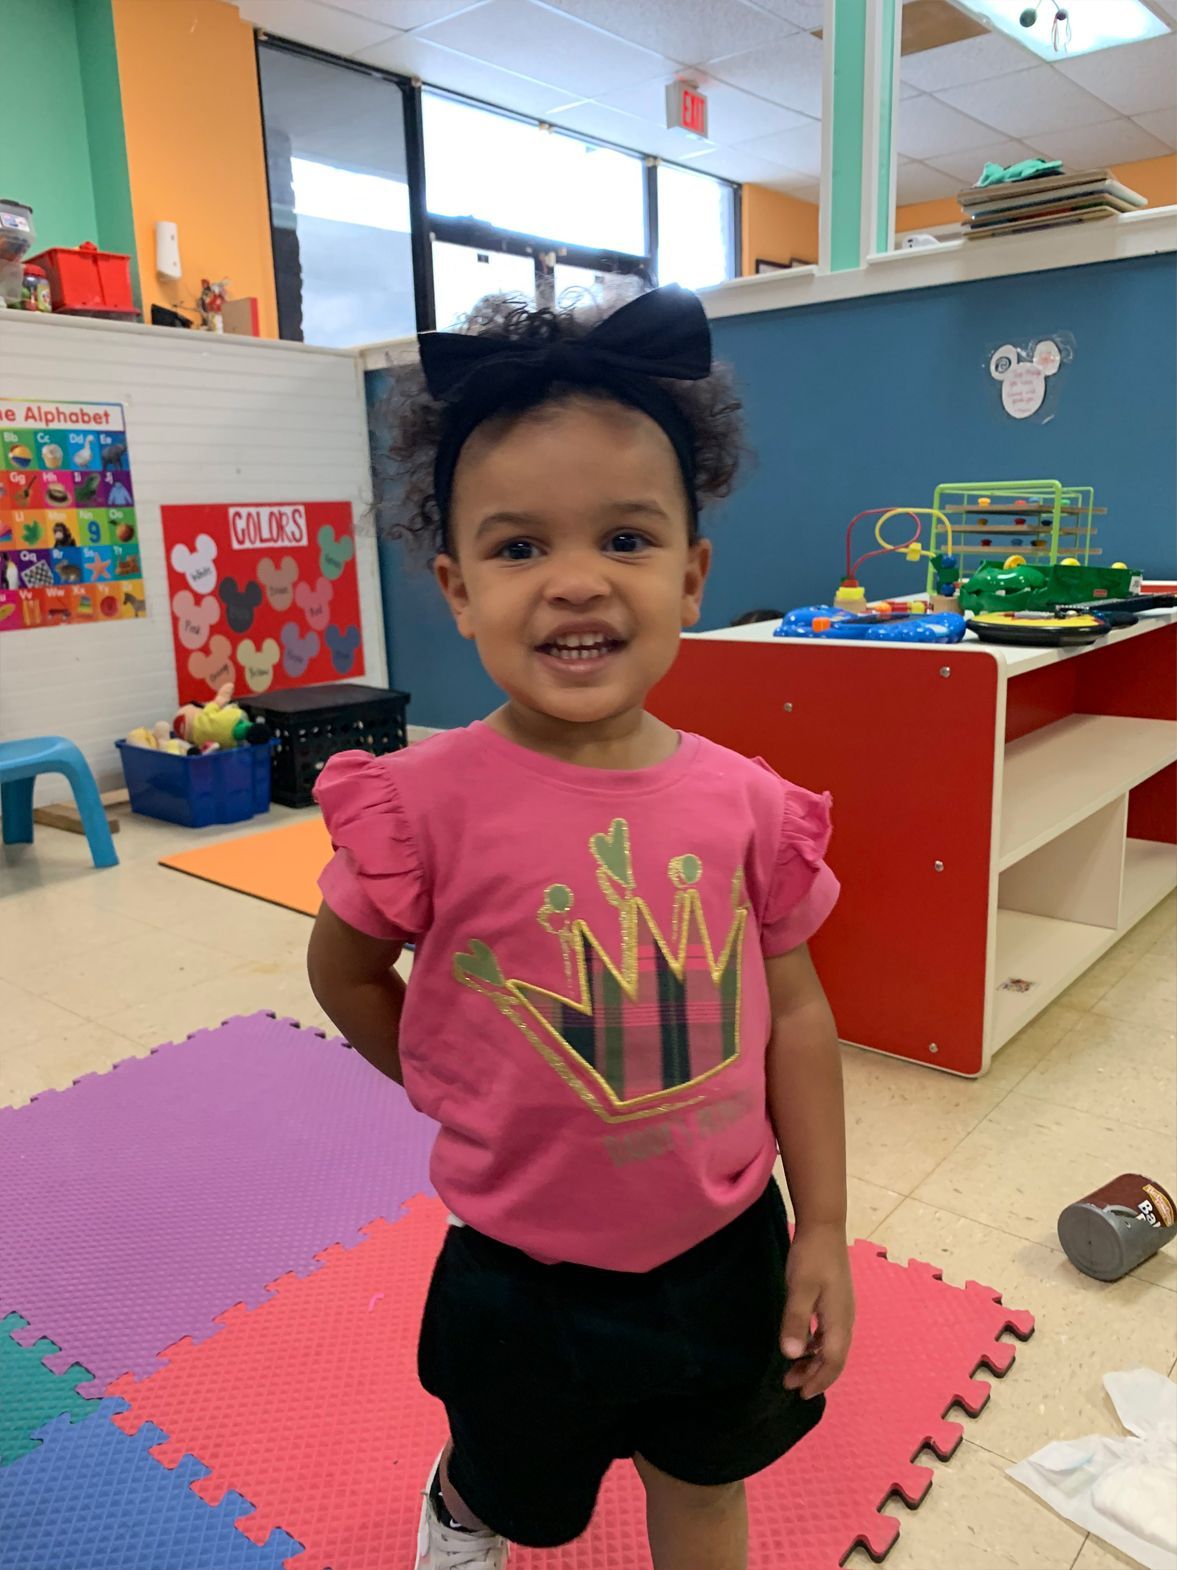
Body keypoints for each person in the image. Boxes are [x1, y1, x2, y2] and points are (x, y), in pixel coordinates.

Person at [307, 284, 853, 1570]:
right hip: (517, 1273)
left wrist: (821, 1224)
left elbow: (804, 1015)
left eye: (623, 537)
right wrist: (444, 1073)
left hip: (722, 1252)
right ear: (452, 587)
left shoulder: (749, 805)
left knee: (707, 1482)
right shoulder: (420, 804)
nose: (573, 584)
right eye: (515, 549)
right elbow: (342, 971)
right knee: (515, 1489)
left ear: (690, 572)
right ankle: (463, 1511)